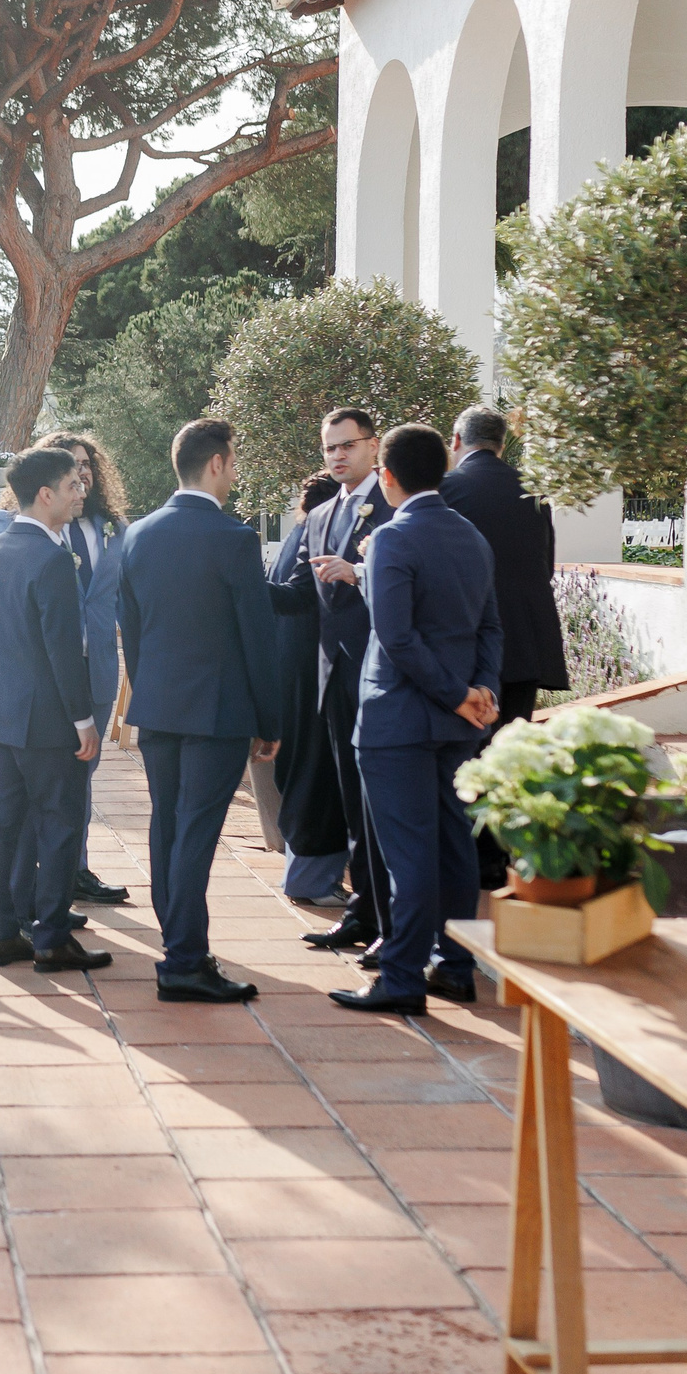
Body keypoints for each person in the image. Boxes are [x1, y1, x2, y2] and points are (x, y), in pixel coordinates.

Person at [331, 424, 502, 1018]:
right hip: (457, 725)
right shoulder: (473, 538)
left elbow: (396, 638)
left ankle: (402, 976)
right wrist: (483, 692)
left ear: (388, 475)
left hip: (398, 721)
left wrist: (459, 694)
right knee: (453, 847)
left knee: (409, 856)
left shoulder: (389, 540)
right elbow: (490, 630)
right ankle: (455, 966)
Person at [115, 418, 280, 1004]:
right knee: (195, 836)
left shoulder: (136, 535)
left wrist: (148, 689)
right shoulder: (233, 538)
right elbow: (257, 638)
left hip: (158, 707)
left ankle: (181, 948)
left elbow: (129, 630)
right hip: (218, 713)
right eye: (233, 463)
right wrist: (270, 721)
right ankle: (184, 960)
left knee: (169, 825)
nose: (234, 475)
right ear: (215, 464)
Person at [0, 431, 132, 908]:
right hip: (45, 696)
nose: (82, 480)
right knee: (48, 809)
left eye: (87, 466)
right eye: (72, 471)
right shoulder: (30, 540)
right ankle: (45, 920)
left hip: (85, 675)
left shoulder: (110, 527)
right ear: (48, 488)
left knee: (59, 795)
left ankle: (33, 906)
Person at [439, 405, 570, 890]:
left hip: (468, 645)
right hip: (526, 643)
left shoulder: (447, 490)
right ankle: (497, 860)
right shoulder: (534, 493)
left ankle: (463, 859)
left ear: (456, 441)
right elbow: (546, 565)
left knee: (463, 755)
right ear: (502, 444)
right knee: (508, 754)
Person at [297, 408, 398, 960]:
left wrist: (358, 573)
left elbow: (409, 583)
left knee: (382, 801)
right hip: (332, 674)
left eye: (348, 445)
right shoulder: (318, 515)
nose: (337, 455)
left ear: (373, 446)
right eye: (329, 447)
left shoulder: (392, 507)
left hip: (381, 673)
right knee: (350, 801)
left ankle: (391, 922)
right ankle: (361, 914)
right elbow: (294, 592)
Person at [263, 472, 350, 905]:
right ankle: (310, 879)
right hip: (313, 670)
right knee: (317, 775)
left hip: (289, 669)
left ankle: (304, 871)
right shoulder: (318, 540)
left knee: (301, 771)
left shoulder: (295, 537)